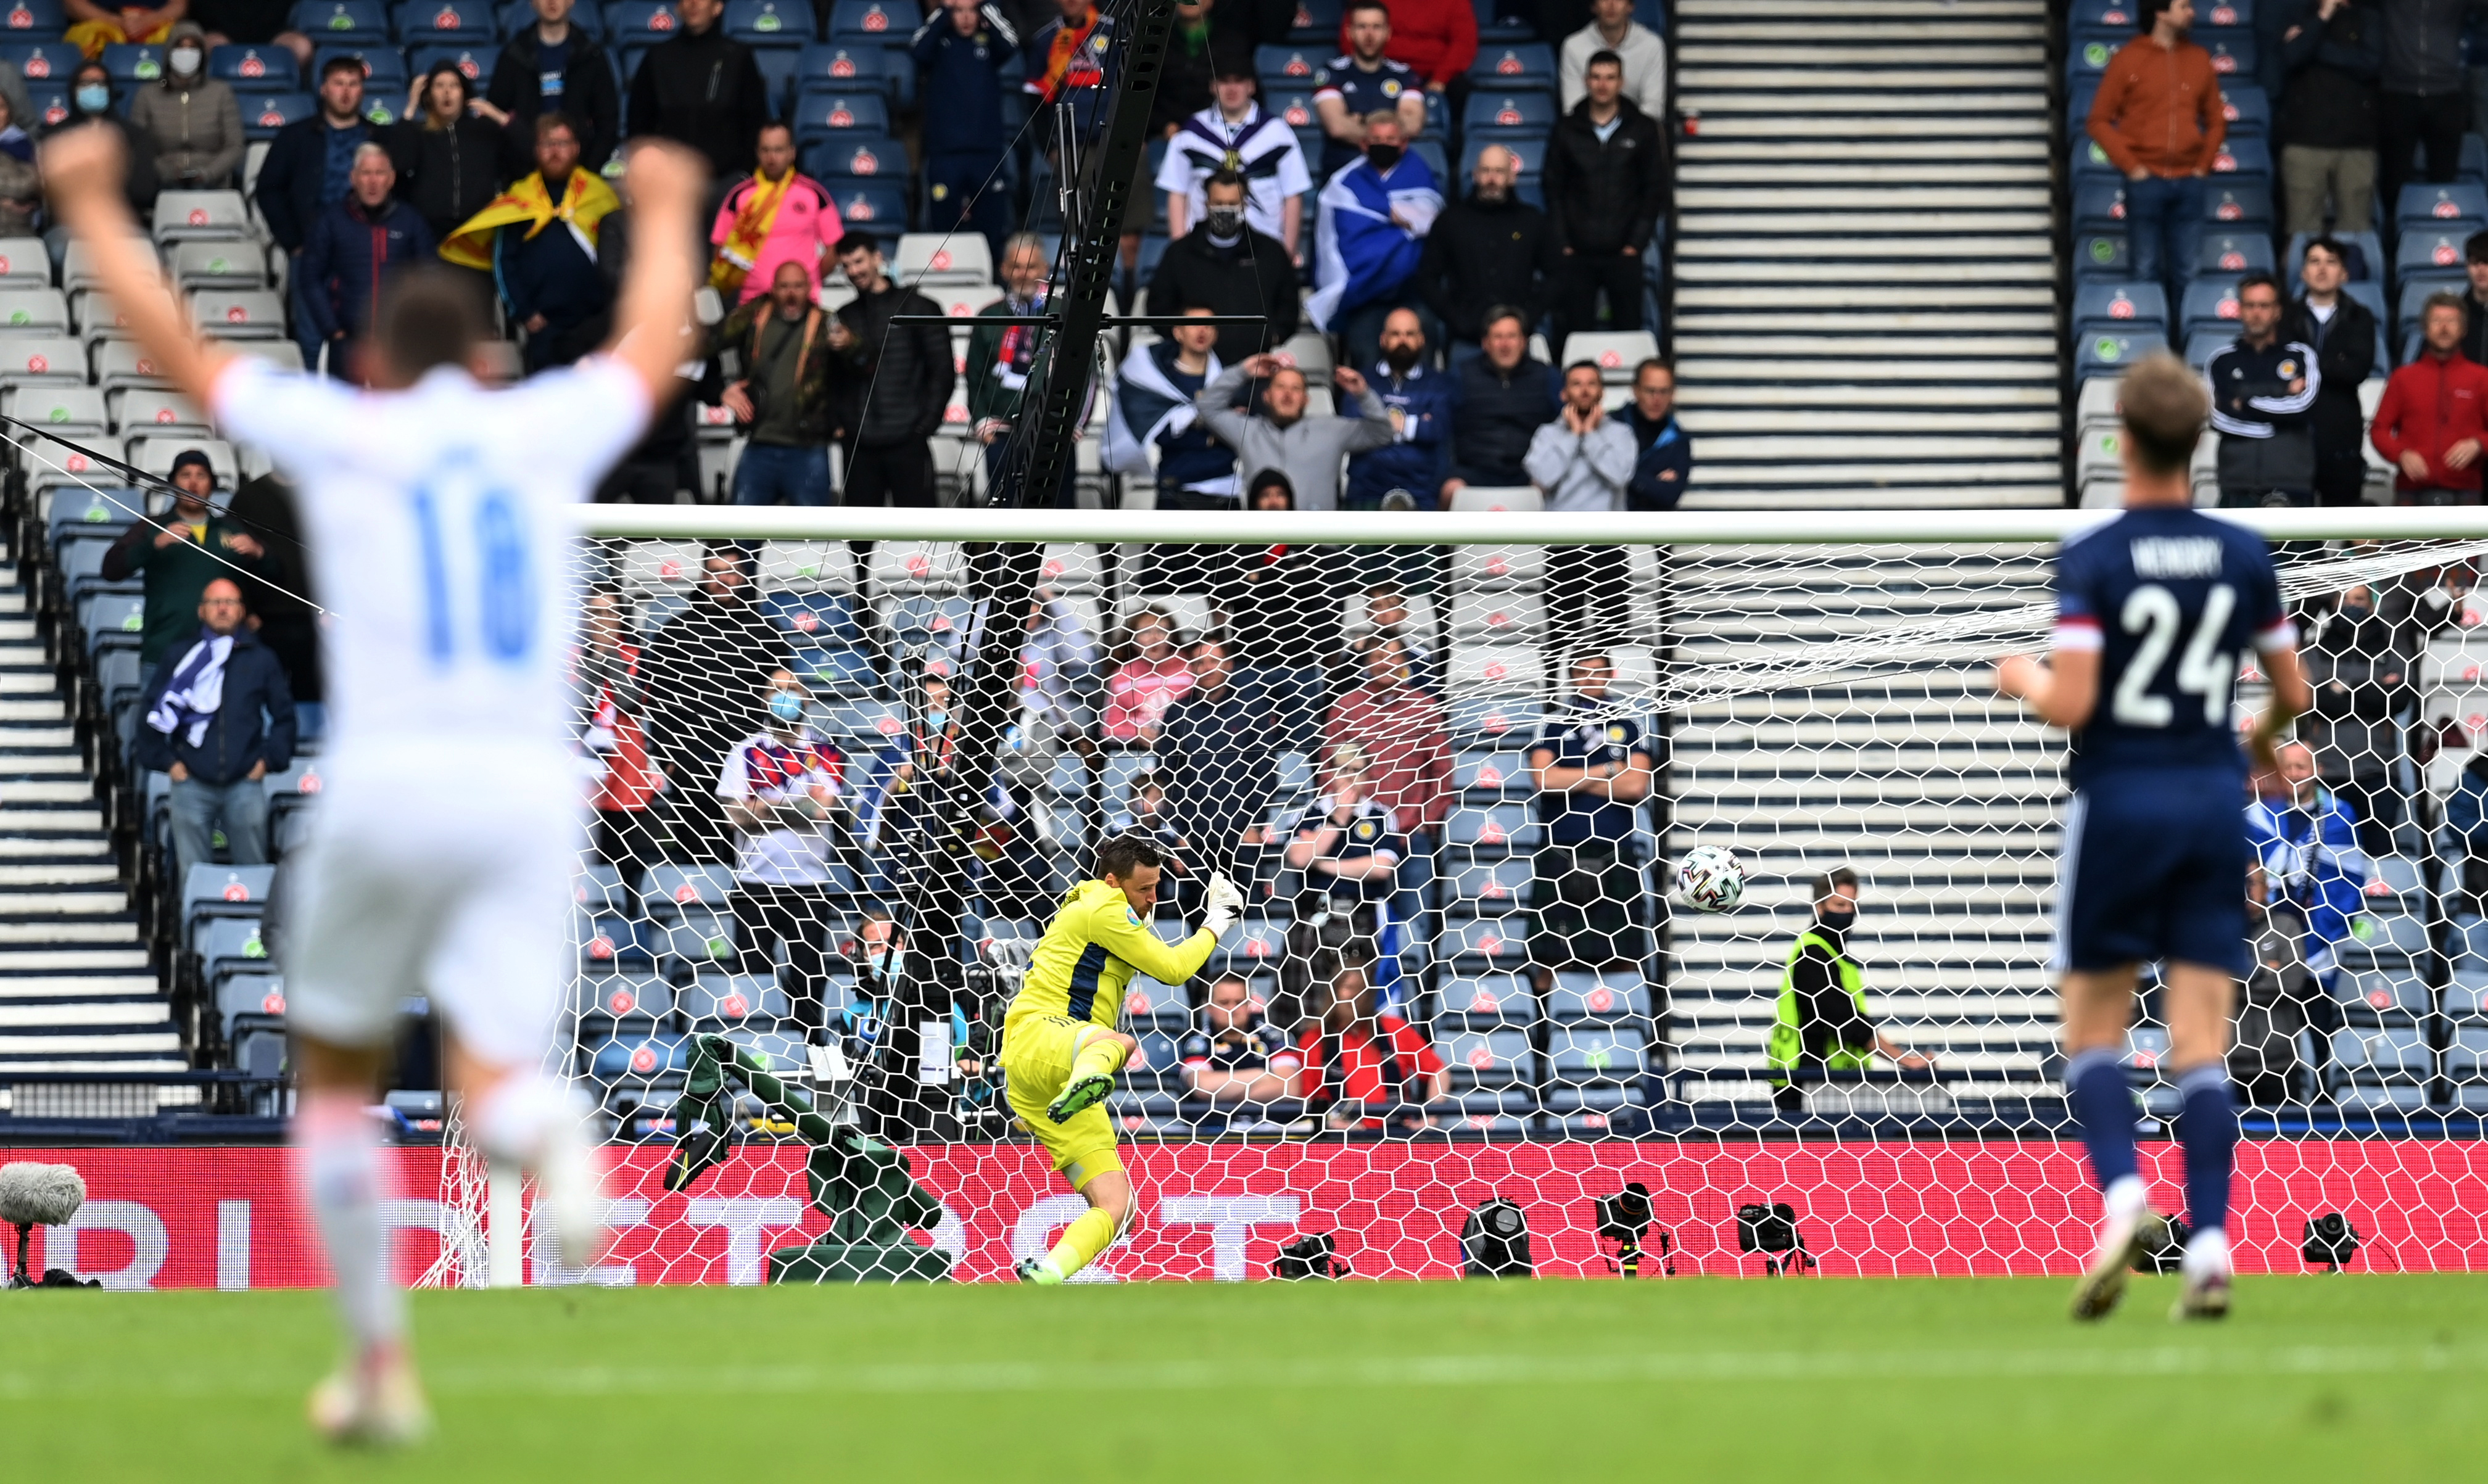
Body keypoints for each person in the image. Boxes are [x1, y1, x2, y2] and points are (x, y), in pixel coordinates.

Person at [43, 118, 707, 1440]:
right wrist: (670, 201)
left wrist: (91, 203)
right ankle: (553, 1126)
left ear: (368, 362)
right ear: (482, 359)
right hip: (527, 792)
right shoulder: (540, 429)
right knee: (499, 1070)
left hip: (390, 785)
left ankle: (382, 1370)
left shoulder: (343, 431)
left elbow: (173, 347)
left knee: (338, 1085)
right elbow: (649, 349)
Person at [1993, 350, 2309, 1322]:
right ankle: (2210, 1242)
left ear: (2120, 439)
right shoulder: (2241, 551)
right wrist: (2246, 748)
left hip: (2120, 799)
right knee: (2202, 1045)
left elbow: (2075, 697)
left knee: (2090, 1029)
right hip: (2213, 803)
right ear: (2201, 442)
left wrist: (2020, 677)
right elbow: (2292, 696)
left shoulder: (2095, 551)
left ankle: (2126, 1196)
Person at [1004, 834, 1244, 1282]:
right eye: (1143, 888)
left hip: (1042, 1082)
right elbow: (1173, 970)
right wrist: (1218, 922)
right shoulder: (1104, 906)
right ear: (1113, 881)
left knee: (1119, 1208)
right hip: (1043, 1037)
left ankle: (1048, 1274)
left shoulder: (1105, 911)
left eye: (1156, 887)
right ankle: (1085, 1080)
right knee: (1119, 1043)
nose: (1153, 899)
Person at [719, 668, 851, 1039]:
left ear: (806, 698)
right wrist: (799, 806)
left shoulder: (824, 753)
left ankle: (807, 1053)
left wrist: (764, 806)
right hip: (754, 884)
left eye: (792, 690)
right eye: (776, 691)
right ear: (764, 699)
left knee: (809, 984)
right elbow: (735, 818)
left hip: (809, 885)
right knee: (752, 981)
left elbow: (824, 811)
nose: (784, 697)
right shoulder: (744, 752)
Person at [136, 576, 296, 881]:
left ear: (241, 611)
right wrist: (169, 762)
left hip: (245, 784)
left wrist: (267, 762)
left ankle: (252, 930)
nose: (223, 609)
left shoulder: (262, 659)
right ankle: (194, 931)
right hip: (191, 784)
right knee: (193, 876)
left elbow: (284, 717)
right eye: (215, 602)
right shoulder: (181, 655)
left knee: (254, 874)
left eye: (230, 602)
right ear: (202, 611)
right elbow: (151, 713)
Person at [638, 550, 790, 862]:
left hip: (751, 760)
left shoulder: (766, 630)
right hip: (692, 759)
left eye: (730, 572)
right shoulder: (675, 631)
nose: (723, 579)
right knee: (696, 853)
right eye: (715, 572)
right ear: (705, 577)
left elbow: (783, 690)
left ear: (744, 577)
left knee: (752, 852)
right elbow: (656, 699)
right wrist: (668, 757)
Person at [440, 112, 616, 373]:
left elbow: (621, 259)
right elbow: (503, 261)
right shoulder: (519, 198)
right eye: (547, 144)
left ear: (576, 148)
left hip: (594, 324)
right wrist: (525, 314)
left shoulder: (601, 195)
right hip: (543, 326)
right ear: (536, 150)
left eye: (562, 143)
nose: (555, 151)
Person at [2086, 0, 2225, 316]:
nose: (2192, 12)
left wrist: (2203, 166)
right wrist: (2132, 167)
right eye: (2184, 6)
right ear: (2161, 13)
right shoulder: (2128, 60)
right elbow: (2098, 120)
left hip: (2190, 180)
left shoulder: (2199, 58)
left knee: (2188, 274)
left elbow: (2217, 119)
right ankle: (2151, 353)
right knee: (2145, 272)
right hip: (2145, 181)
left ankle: (2185, 355)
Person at [2246, 740, 2365, 1098]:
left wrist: (2312, 942)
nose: (2295, 775)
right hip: (2260, 943)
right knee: (2265, 1029)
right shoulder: (2253, 818)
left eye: (2302, 766)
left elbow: (2348, 884)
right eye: (2289, 768)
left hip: (2316, 946)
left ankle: (2320, 1104)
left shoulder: (2340, 815)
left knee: (2316, 1028)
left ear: (2318, 770)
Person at [1764, 867, 1935, 1113]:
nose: (1847, 913)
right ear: (1819, 907)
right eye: (1839, 905)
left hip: (1834, 1085)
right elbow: (1846, 1021)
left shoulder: (1838, 958)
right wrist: (1904, 1060)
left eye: (1851, 906)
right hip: (1808, 1084)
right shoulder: (1812, 954)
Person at [1525, 652, 1650, 985]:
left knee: (1623, 958)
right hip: (1559, 851)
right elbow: (1544, 781)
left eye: (1597, 672)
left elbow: (1636, 785)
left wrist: (1571, 780)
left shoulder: (1631, 723)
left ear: (1611, 674)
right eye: (1582, 672)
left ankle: (1621, 1028)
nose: (1590, 679)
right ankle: (1546, 1034)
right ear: (1571, 676)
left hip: (1614, 852)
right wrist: (1608, 771)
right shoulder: (1552, 721)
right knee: (1551, 960)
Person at [1215, 471, 1349, 749]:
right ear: (1253, 502)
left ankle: (1300, 794)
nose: (1273, 502)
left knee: (1304, 744)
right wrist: (1288, 577)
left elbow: (1316, 585)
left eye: (1279, 494)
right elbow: (1226, 591)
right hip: (1249, 664)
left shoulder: (1307, 545)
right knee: (1245, 747)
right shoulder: (1237, 547)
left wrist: (1258, 578)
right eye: (1265, 495)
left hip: (1300, 664)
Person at [100, 448, 267, 670]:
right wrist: (153, 545)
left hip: (224, 655)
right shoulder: (152, 526)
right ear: (172, 484)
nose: (193, 484)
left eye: (201, 476)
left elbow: (274, 575)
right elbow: (110, 570)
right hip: (163, 654)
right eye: (185, 475)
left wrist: (259, 552)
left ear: (212, 485)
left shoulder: (231, 528)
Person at [254, 56, 373, 366]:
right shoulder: (295, 137)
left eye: (353, 84)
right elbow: (269, 189)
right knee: (310, 339)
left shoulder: (378, 138)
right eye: (338, 84)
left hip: (366, 253)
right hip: (312, 251)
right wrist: (293, 242)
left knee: (365, 341)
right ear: (323, 89)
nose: (346, 92)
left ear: (362, 91)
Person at [1541, 49, 1663, 347]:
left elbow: (1654, 189)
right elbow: (1552, 188)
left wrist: (1636, 244)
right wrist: (1564, 243)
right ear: (1586, 81)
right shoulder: (1567, 130)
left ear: (1621, 82)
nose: (1602, 84)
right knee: (1576, 335)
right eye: (1596, 77)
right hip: (1578, 255)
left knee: (1629, 335)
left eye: (1610, 78)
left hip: (1625, 255)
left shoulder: (1643, 129)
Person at [1308, 110, 1441, 373]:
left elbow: (1431, 220)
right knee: (1366, 360)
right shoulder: (1344, 184)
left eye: (1391, 138)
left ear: (1404, 143)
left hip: (1412, 294)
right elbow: (1347, 233)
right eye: (1376, 139)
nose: (1384, 144)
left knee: (1422, 358)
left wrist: (1396, 217)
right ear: (1364, 144)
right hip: (1365, 297)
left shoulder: (1419, 173)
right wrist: (1396, 217)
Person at [828, 233, 954, 508]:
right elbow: (835, 378)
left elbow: (943, 373)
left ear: (878, 258)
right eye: (846, 265)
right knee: (859, 541)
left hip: (909, 442)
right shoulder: (844, 315)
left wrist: (923, 427)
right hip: (859, 445)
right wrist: (841, 425)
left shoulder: (921, 307)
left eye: (859, 261)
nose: (853, 271)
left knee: (919, 536)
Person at [1155, 633, 1278, 896]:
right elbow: (1169, 776)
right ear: (1191, 667)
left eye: (1214, 660)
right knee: (1198, 917)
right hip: (1194, 833)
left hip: (1242, 830)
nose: (1207, 667)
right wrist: (1180, 829)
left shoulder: (1252, 707)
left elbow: (1265, 771)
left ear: (1229, 664)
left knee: (1248, 911)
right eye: (1199, 661)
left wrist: (1255, 824)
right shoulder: (1177, 713)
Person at [1193, 353, 1395, 511]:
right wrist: (1244, 371)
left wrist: (1362, 394)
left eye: (1296, 389)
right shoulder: (1248, 430)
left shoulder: (1332, 430)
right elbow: (1208, 407)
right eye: (1280, 387)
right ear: (1266, 396)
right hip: (1261, 547)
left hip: (1317, 547)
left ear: (1307, 399)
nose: (1288, 394)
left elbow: (1383, 433)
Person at [297, 144, 439, 364]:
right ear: (353, 178)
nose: (373, 182)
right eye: (366, 173)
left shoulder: (411, 221)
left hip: (398, 343)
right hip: (347, 343)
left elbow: (430, 276)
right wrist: (333, 330)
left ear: (391, 179)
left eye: (380, 173)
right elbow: (310, 278)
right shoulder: (330, 221)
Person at [1527, 361, 1636, 648]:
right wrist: (1573, 436)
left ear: (1602, 391)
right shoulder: (1547, 435)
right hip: (1562, 546)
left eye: (1591, 383)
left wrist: (1589, 436)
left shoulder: (1621, 434)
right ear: (1564, 393)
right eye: (1577, 383)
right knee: (1561, 639)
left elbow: (1619, 475)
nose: (1585, 390)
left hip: (1608, 546)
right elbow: (1543, 478)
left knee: (1614, 638)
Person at [1143, 167, 1299, 367]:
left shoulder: (1270, 252)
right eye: (1219, 203)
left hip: (1254, 368)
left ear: (1245, 205)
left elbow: (1289, 305)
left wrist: (1273, 336)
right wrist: (1183, 340)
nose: (1225, 210)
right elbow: (1159, 307)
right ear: (1207, 204)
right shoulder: (1180, 253)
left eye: (1233, 204)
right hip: (1194, 369)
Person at [1158, 53, 1310, 256]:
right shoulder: (1190, 133)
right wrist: (1180, 254)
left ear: (1252, 86)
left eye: (1239, 81)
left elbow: (1293, 195)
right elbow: (1177, 193)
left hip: (1265, 247)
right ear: (1212, 86)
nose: (1231, 89)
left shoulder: (1277, 133)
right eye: (1224, 82)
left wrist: (1287, 255)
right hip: (1202, 248)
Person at [2299, 583, 2411, 856]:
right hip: (2327, 773)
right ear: (2334, 605)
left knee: (2378, 863)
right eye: (2345, 599)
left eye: (2359, 599)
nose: (2352, 605)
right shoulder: (2314, 649)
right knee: (2323, 858)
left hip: (2377, 773)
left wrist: (2342, 687)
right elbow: (2313, 700)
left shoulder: (2391, 645)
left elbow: (2398, 700)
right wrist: (2373, 686)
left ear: (2372, 605)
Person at [714, 260, 837, 506]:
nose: (791, 294)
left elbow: (861, 363)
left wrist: (848, 344)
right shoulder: (754, 317)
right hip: (760, 443)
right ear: (772, 288)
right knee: (742, 535)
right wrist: (719, 390)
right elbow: (704, 344)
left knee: (814, 538)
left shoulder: (826, 323)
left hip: (808, 447)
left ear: (809, 287)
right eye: (784, 287)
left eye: (798, 286)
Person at [1414, 144, 1553, 358]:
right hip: (1467, 340)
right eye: (1486, 171)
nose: (1491, 179)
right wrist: (1456, 318)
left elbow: (1559, 274)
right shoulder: (1451, 221)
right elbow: (1426, 278)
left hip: (1518, 341)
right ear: (1476, 175)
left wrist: (1528, 316)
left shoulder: (1532, 221)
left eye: (1499, 172)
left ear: (1512, 177)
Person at [912, 0, 1018, 260]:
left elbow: (1011, 43)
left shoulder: (990, 42)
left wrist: (984, 6)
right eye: (959, 11)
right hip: (945, 153)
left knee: (992, 226)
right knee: (943, 226)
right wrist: (945, 9)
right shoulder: (938, 41)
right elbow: (917, 49)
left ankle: (992, 280)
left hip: (987, 152)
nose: (966, 18)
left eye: (972, 10)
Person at [1324, 632, 1449, 853]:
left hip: (1411, 832)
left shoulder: (1425, 707)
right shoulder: (1345, 707)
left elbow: (1441, 770)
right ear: (1367, 662)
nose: (1385, 664)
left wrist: (1427, 823)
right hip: (1356, 831)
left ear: (1405, 662)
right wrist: (1338, 817)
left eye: (1393, 657)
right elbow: (1327, 771)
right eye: (1378, 657)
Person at [2205, 271, 2320, 509]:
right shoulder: (2220, 361)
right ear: (2240, 309)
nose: (2257, 313)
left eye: (2264, 306)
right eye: (2250, 305)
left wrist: (2245, 402)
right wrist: (2281, 399)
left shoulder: (2301, 355)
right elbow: (2219, 417)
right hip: (2237, 482)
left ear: (2277, 311)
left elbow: (2304, 407)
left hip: (2292, 481)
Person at [1106, 303, 1237, 507]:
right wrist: (1212, 435)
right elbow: (1158, 433)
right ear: (1178, 332)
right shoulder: (1152, 378)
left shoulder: (1229, 379)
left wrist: (1192, 426)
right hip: (1174, 491)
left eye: (1209, 325)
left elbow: (1241, 430)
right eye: (1194, 324)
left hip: (1225, 491)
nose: (1202, 331)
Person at [1292, 955, 1446, 1130]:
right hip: (1339, 1141)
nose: (1355, 996)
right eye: (1348, 987)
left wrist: (1430, 1119)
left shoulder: (1394, 1028)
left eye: (1361, 989)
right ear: (1334, 991)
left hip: (1396, 1137)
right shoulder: (1313, 1039)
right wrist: (1335, 1124)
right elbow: (1306, 1100)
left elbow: (1439, 1071)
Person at [626, 0, 770, 178]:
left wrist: (742, 173)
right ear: (678, 7)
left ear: (718, 7)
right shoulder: (658, 57)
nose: (693, 3)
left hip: (725, 180)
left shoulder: (738, 56)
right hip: (668, 181)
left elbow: (754, 123)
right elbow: (639, 126)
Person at [2370, 292, 2488, 505]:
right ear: (2425, 328)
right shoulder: (2403, 378)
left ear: (2464, 329)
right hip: (2411, 492)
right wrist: (2402, 454)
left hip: (2467, 493)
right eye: (2436, 320)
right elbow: (2379, 429)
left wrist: (2479, 444)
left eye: (2451, 321)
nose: (2444, 328)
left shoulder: (2481, 378)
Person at [2286, 236, 2378, 506]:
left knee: (2345, 529)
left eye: (2331, 262)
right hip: (2294, 436)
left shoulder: (2360, 317)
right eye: (2314, 262)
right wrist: (2334, 361)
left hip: (2342, 438)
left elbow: (2357, 370)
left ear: (2344, 274)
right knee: (2297, 536)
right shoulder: (2286, 316)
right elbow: (2280, 370)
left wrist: (2308, 366)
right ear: (2303, 273)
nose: (2322, 269)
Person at [707, 120, 840, 305]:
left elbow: (835, 248)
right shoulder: (739, 196)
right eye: (766, 150)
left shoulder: (814, 194)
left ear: (792, 153)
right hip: (752, 304)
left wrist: (810, 279)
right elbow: (721, 249)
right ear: (757, 153)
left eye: (778, 150)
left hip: (802, 305)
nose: (772, 158)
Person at [2276, 0, 2381, 236]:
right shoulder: (2298, 13)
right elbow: (2292, 56)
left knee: (2356, 233)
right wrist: (2323, 17)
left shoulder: (2368, 16)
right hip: (2305, 142)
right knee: (2302, 233)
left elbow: (2371, 64)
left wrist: (2314, 47)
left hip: (2356, 145)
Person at [577, 588, 661, 878]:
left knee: (627, 869)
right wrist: (594, 657)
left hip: (626, 777)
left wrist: (608, 654)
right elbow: (577, 709)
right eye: (596, 613)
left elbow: (630, 701)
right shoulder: (571, 656)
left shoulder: (637, 653)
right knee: (584, 871)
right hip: (579, 777)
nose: (604, 620)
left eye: (610, 612)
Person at [386, 62, 516, 246]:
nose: (447, 92)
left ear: (464, 93)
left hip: (477, 229)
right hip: (431, 230)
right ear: (429, 95)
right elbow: (399, 163)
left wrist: (499, 116)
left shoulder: (484, 130)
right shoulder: (419, 132)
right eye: (439, 86)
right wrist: (411, 106)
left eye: (454, 85)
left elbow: (527, 152)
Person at [485, 0, 620, 173]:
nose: (552, 1)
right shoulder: (514, 56)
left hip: (579, 173)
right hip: (523, 176)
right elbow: (497, 116)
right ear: (533, 3)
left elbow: (608, 122)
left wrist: (588, 170)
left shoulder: (592, 56)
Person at [1440, 305, 1556, 501]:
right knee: (1450, 490)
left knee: (1551, 487)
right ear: (1485, 343)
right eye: (1498, 337)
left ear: (1523, 342)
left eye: (1512, 336)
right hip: (1475, 471)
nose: (1505, 344)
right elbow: (1444, 428)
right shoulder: (1461, 375)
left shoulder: (1547, 377)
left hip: (1528, 472)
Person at [965, 232, 1053, 489]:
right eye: (1016, 266)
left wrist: (1072, 428)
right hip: (1000, 435)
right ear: (1003, 270)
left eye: (1031, 267)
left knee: (1057, 521)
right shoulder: (988, 316)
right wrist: (982, 423)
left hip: (1052, 435)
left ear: (1045, 269)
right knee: (1003, 519)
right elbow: (974, 377)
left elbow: (1087, 374)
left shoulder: (1062, 314)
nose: (1023, 274)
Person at [1343, 307, 1452, 509]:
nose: (1403, 340)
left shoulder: (1439, 384)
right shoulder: (1361, 381)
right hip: (1367, 490)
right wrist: (1416, 425)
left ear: (1422, 340)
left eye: (1410, 334)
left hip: (1422, 492)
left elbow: (1437, 429)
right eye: (1395, 334)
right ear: (1383, 339)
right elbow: (1355, 431)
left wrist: (1380, 425)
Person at [1313, 0, 1426, 181]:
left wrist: (1362, 120)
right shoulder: (1331, 73)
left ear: (1388, 33)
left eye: (1376, 27)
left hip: (1395, 174)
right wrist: (1388, 131)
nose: (1369, 35)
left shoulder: (1405, 75)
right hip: (1342, 174)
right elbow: (1338, 127)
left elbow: (1413, 124)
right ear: (1349, 33)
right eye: (1362, 27)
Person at [2377, 0, 2473, 210]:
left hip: (2447, 92)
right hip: (2398, 91)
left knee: (2444, 176)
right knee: (2395, 178)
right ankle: (2395, 235)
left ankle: (2441, 226)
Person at [127, 21, 241, 191]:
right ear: (169, 53)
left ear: (202, 54)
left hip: (213, 183)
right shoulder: (147, 95)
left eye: (193, 48)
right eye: (180, 47)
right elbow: (139, 147)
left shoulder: (221, 92)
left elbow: (235, 146)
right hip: (163, 183)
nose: (186, 53)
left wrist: (208, 173)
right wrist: (166, 173)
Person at [1286, 746, 1405, 905]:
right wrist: (1339, 818)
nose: (1350, 777)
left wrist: (1317, 863)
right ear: (1330, 774)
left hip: (1367, 909)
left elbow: (1382, 869)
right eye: (1343, 770)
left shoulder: (1382, 815)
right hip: (1313, 909)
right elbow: (1300, 859)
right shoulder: (1307, 813)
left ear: (1368, 776)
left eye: (1357, 771)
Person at [1180, 973, 1302, 1111]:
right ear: (1208, 1007)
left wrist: (1226, 1096)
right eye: (1224, 1003)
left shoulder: (1275, 1037)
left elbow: (1290, 1088)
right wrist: (1260, 1075)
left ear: (1249, 1003)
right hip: (1217, 1129)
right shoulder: (1197, 1043)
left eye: (1239, 1002)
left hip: (1271, 1127)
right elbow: (1202, 1087)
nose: (1232, 1009)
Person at [52, 62, 160, 213]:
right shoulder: (56, 136)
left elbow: (143, 190)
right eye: (86, 83)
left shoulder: (134, 136)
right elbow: (53, 191)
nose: (93, 88)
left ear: (110, 90)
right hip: (69, 223)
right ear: (73, 90)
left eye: (100, 83)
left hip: (124, 220)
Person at [1337, 0, 1473, 109]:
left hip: (1433, 75)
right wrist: (1369, 68)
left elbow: (1464, 43)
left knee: (1462, 91)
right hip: (1381, 70)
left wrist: (1440, 79)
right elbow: (1352, 32)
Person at [1100, 606, 1192, 746]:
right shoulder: (1122, 676)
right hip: (1137, 752)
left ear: (1172, 637)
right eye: (1146, 632)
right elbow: (1109, 729)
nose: (1154, 638)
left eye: (1162, 631)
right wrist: (1137, 734)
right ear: (1133, 640)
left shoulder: (1191, 669)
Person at [1560, 0, 1664, 120]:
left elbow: (1653, 107)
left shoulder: (1652, 45)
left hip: (1637, 133)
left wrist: (1625, 133)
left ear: (1630, 6)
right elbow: (1572, 109)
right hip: (1586, 133)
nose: (1611, 4)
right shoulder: (1573, 47)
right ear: (1594, 6)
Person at [1625, 355, 1689, 509]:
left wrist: (1626, 474)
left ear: (1673, 394)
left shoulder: (1678, 440)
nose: (1657, 399)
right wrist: (1652, 480)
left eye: (1664, 391)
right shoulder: (1612, 427)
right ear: (1636, 391)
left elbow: (1668, 495)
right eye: (1650, 391)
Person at [65, 0, 183, 56]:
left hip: (154, 23)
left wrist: (147, 21)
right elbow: (72, 4)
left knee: (181, 39)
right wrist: (117, 21)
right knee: (95, 38)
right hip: (102, 22)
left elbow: (179, 5)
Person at [0, 94, 37, 237]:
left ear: (9, 113)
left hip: (16, 226)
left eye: (1, 107)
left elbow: (29, 184)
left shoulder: (22, 146)